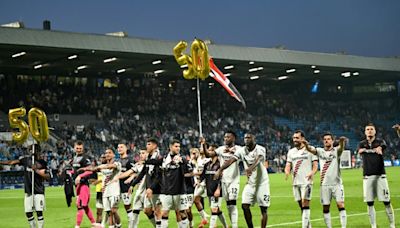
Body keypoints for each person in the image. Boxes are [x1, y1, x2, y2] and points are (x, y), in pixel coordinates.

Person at [215, 133, 270, 228]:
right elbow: (231, 160)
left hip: (262, 184)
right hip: (250, 184)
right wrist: (220, 169)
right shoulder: (241, 151)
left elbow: (259, 158)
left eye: (249, 138)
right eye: (245, 138)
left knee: (263, 209)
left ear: (254, 139)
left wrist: (250, 168)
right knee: (244, 206)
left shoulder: (260, 148)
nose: (246, 140)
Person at [304, 133, 348, 228]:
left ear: (332, 140)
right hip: (324, 185)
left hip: (337, 184)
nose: (326, 140)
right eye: (325, 139)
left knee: (340, 204)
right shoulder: (320, 151)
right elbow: (311, 150)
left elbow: (341, 148)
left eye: (328, 139)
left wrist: (341, 142)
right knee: (326, 207)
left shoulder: (336, 151)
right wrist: (306, 145)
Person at [0, 144, 49, 228]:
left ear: (37, 151)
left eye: (32, 150)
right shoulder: (25, 160)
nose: (31, 152)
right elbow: (11, 162)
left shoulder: (42, 162)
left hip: (38, 190)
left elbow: (47, 177)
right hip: (28, 191)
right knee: (28, 212)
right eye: (30, 150)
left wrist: (36, 170)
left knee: (39, 212)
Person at [358, 123, 395, 228]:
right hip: (367, 176)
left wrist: (380, 149)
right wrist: (368, 150)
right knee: (369, 203)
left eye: (371, 129)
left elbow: (383, 146)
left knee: (386, 201)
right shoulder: (362, 143)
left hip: (380, 176)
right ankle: (373, 226)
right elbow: (360, 150)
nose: (369, 131)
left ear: (375, 131)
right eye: (367, 129)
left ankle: (392, 225)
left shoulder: (380, 142)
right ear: (365, 132)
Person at [145, 139, 190, 228]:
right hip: (167, 191)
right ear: (170, 147)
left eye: (179, 146)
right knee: (165, 212)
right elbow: (156, 162)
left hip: (180, 191)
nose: (178, 148)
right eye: (176, 146)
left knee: (182, 212)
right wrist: (145, 161)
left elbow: (187, 169)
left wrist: (183, 162)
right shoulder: (165, 158)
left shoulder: (182, 159)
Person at [205, 130, 241, 228]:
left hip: (234, 180)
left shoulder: (239, 149)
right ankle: (232, 225)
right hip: (224, 181)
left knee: (233, 202)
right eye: (225, 137)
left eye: (228, 137)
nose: (225, 139)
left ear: (233, 138)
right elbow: (208, 155)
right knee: (229, 205)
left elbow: (232, 160)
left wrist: (220, 170)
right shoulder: (221, 149)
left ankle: (235, 226)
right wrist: (204, 145)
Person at [285, 130, 318, 228]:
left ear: (302, 139)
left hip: (306, 182)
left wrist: (312, 172)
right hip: (295, 182)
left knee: (305, 204)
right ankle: (309, 225)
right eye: (294, 138)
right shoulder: (291, 152)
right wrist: (287, 171)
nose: (294, 140)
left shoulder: (311, 149)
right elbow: (288, 164)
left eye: (297, 138)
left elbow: (315, 165)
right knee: (301, 206)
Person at [130, 138, 162, 227]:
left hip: (157, 188)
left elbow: (159, 175)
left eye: (149, 144)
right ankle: (158, 226)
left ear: (154, 146)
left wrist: (151, 188)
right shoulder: (149, 157)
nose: (147, 146)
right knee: (147, 210)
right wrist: (133, 184)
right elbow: (143, 172)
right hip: (149, 188)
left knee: (157, 210)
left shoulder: (158, 157)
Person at [116, 149, 148, 228]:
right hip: (140, 190)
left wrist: (132, 178)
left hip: (152, 190)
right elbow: (131, 172)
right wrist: (117, 178)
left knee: (150, 211)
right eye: (140, 153)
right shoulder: (138, 164)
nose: (141, 155)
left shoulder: (153, 163)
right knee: (136, 211)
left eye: (143, 153)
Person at [70, 141, 96, 228]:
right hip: (77, 186)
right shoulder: (74, 158)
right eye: (77, 148)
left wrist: (80, 176)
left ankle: (77, 226)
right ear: (74, 148)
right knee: (85, 206)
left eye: (80, 148)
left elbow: (90, 170)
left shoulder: (85, 158)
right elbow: (75, 171)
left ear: (83, 148)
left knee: (80, 205)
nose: (79, 150)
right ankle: (94, 223)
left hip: (84, 186)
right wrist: (70, 173)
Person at [201, 143, 228, 228]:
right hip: (209, 190)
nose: (208, 152)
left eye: (210, 150)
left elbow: (223, 178)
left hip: (217, 190)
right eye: (208, 150)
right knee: (217, 210)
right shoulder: (207, 164)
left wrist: (218, 189)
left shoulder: (221, 164)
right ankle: (226, 226)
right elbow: (203, 176)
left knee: (214, 209)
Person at [116, 142, 135, 228]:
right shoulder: (117, 161)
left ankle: (131, 225)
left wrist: (130, 180)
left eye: (121, 147)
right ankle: (117, 225)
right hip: (116, 187)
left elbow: (134, 172)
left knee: (127, 206)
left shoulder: (130, 160)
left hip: (125, 187)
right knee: (113, 208)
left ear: (126, 149)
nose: (119, 149)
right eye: (118, 147)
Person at [193, 139, 211, 227]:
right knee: (196, 200)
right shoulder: (199, 158)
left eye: (202, 147)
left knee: (213, 204)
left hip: (208, 183)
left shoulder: (209, 159)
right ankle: (205, 219)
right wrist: (197, 180)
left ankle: (216, 221)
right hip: (200, 183)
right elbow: (197, 169)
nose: (200, 148)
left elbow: (204, 172)